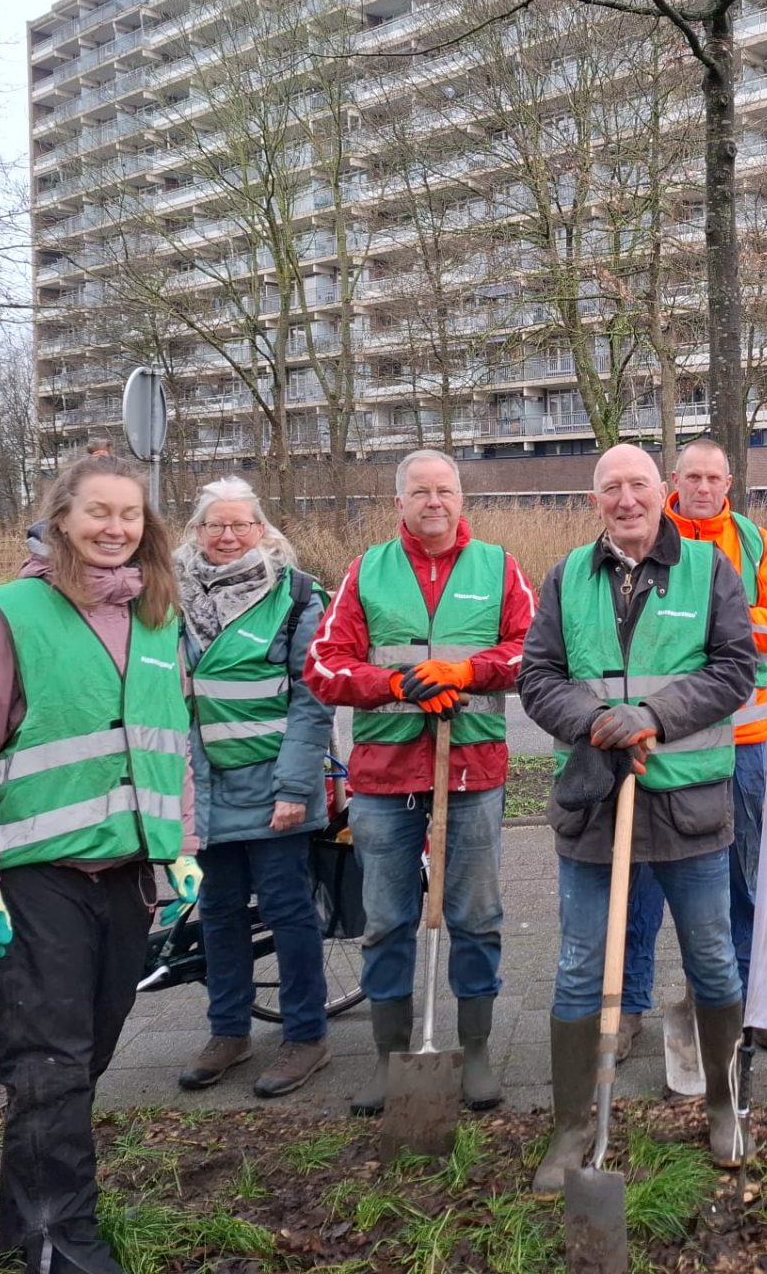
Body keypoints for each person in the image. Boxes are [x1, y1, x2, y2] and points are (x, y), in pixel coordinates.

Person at [0, 455, 198, 1274]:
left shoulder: (156, 617)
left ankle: (27, 1225)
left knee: (83, 1061)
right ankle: (61, 1245)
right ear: (62, 519)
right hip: (35, 879)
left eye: (130, 515)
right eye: (98, 513)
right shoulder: (10, 614)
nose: (115, 528)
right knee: (49, 1068)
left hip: (127, 879)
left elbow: (170, 741)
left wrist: (182, 843)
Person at [520, 443, 756, 1193]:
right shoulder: (566, 577)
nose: (626, 499)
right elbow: (537, 676)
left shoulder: (709, 570)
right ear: (594, 500)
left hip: (689, 804)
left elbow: (734, 669)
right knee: (578, 967)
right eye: (611, 488)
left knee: (711, 959)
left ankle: (724, 1105)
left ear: (663, 491)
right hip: (594, 803)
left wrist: (652, 714)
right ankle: (571, 1128)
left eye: (638, 485)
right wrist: (595, 721)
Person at [304, 449, 535, 1116]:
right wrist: (394, 684)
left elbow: (532, 650)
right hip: (384, 780)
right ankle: (388, 1056)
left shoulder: (499, 568)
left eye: (445, 490)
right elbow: (324, 664)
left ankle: (476, 1050)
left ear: (461, 499)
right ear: (399, 502)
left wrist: (468, 672)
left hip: (471, 773)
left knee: (476, 915)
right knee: (386, 920)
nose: (434, 502)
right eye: (420, 492)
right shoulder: (366, 571)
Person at [620, 437, 767, 1058]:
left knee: (746, 874)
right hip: (658, 740)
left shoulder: (755, 544)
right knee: (639, 876)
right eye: (691, 477)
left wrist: (716, 617)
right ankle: (627, 1005)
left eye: (713, 478)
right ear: (674, 480)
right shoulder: (642, 535)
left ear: (728, 484)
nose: (702, 487)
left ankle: (750, 1001)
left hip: (741, 740)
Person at [173, 477, 336, 1098]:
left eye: (240, 524)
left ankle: (306, 1035)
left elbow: (312, 702)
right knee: (217, 913)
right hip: (205, 789)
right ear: (197, 531)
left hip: (275, 789)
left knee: (287, 911)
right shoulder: (170, 597)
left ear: (261, 530)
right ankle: (228, 1031)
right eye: (215, 525)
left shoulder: (295, 596)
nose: (227, 535)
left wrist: (294, 787)